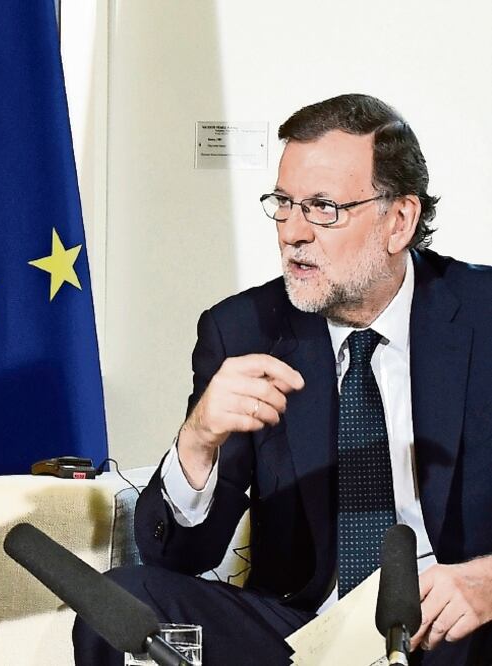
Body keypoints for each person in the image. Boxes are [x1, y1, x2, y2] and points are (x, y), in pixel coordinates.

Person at [73, 94, 492, 665]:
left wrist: (487, 579)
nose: (293, 231)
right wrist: (198, 439)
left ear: (399, 221)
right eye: (284, 203)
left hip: (447, 621)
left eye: (323, 208)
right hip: (303, 634)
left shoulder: (482, 314)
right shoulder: (244, 330)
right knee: (121, 602)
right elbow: (181, 557)